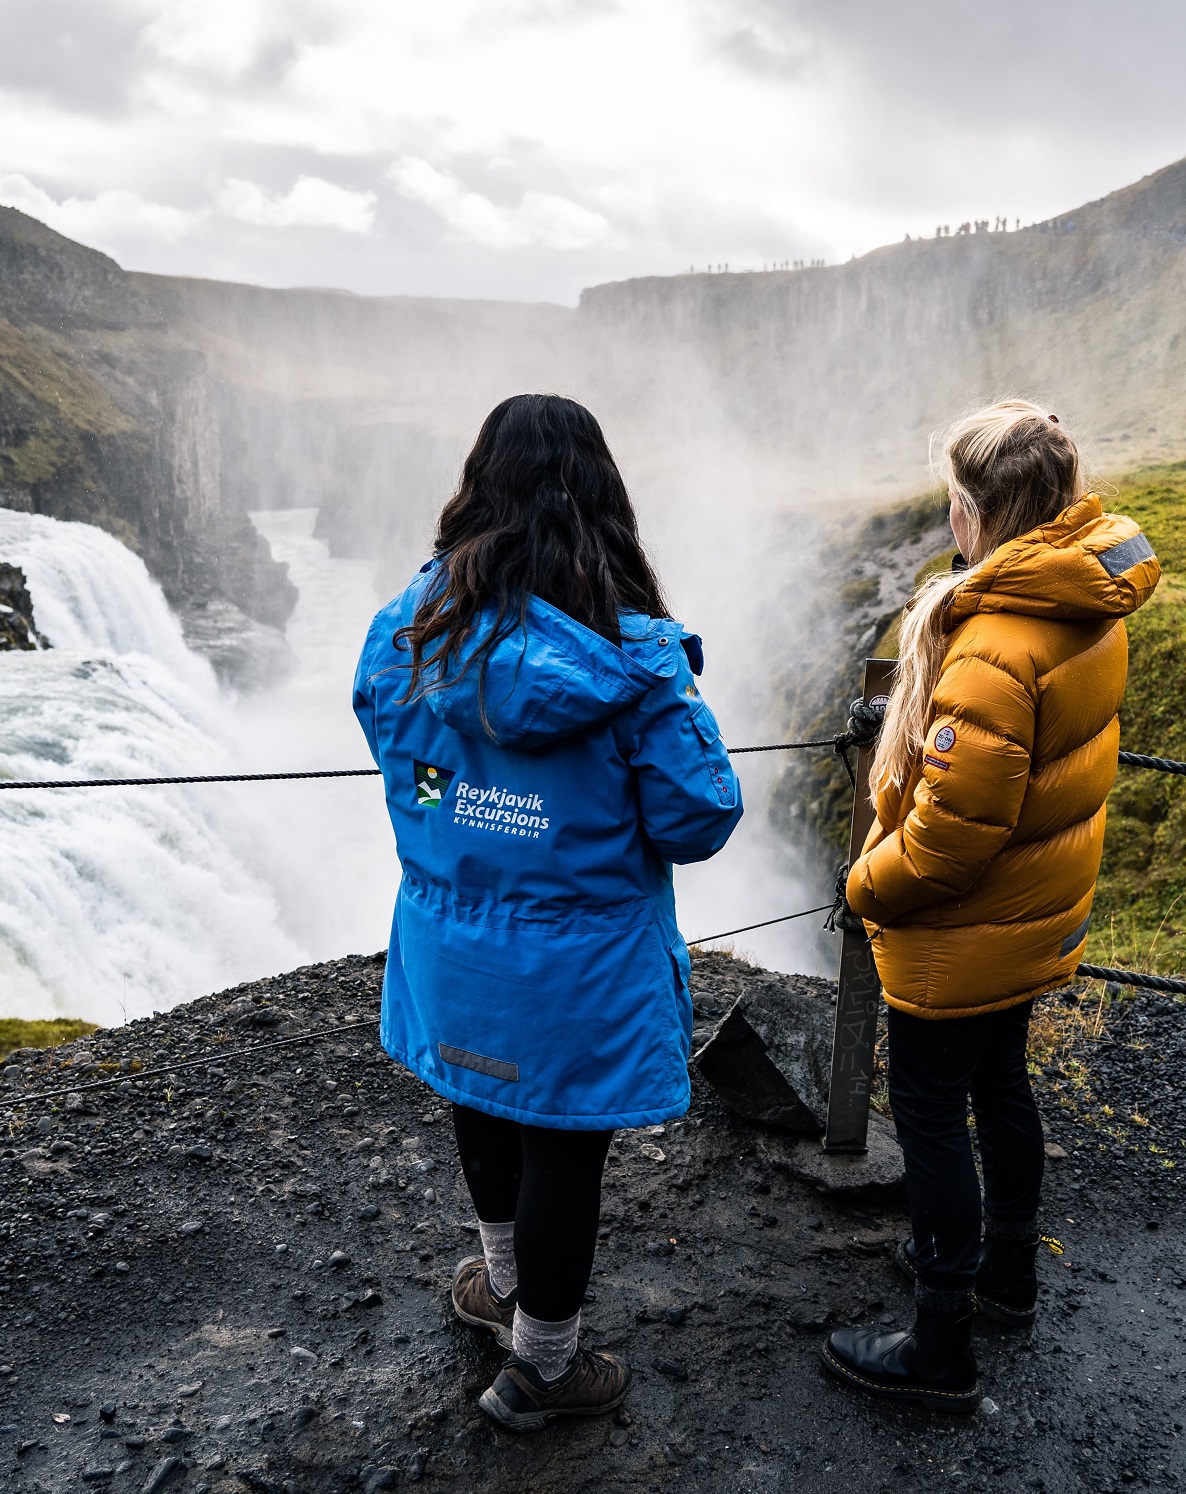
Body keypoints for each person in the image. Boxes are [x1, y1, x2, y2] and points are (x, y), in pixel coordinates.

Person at [351, 393, 744, 1432]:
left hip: (450, 937)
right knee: (564, 1147)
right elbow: (697, 818)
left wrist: (464, 804)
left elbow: (393, 747)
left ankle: (499, 1286)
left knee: (479, 1100)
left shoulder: (407, 631)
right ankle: (542, 1370)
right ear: (599, 497)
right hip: (580, 965)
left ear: (478, 486)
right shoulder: (634, 661)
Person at [823, 400, 1160, 1414]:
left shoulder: (991, 645)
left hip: (964, 932)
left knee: (928, 1111)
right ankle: (1005, 1277)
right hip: (1032, 907)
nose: (946, 518)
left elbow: (948, 840)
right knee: (1000, 1080)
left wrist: (861, 886)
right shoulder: (1083, 597)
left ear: (977, 510)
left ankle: (939, 1346)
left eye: (952, 501)